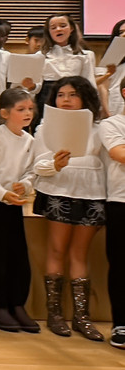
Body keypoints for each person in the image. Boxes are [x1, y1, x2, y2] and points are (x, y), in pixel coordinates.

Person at [32, 76, 105, 341]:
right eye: (61, 95)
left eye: (72, 94)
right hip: (57, 191)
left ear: (85, 97)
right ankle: (55, 315)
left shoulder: (99, 128)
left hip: (93, 194)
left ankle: (82, 317)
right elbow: (38, 165)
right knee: (56, 249)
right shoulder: (44, 128)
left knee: (79, 254)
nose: (65, 100)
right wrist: (56, 165)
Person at [0, 88, 39, 333]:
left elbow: (31, 171)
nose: (27, 113)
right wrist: (2, 193)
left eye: (30, 109)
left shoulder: (29, 140)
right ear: (4, 113)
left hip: (14, 204)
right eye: (21, 109)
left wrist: (24, 184)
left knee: (19, 257)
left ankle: (17, 304)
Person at [34, 14, 97, 133]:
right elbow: (37, 86)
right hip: (48, 97)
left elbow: (89, 82)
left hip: (76, 96)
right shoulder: (40, 55)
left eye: (63, 26)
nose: (58, 29)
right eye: (53, 27)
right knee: (50, 132)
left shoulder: (85, 55)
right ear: (48, 32)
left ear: (71, 29)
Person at [99, 78, 125, 349]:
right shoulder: (112, 124)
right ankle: (121, 323)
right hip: (120, 200)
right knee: (120, 265)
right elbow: (119, 153)